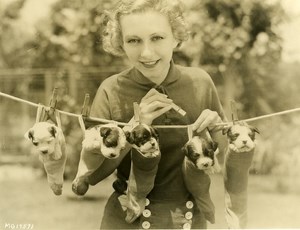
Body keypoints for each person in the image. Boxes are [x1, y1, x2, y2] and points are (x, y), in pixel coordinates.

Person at [84, 0, 250, 229]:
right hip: (125, 220)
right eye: (133, 40)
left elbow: (225, 161)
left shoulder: (200, 82)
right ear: (120, 44)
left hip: (189, 221)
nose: (146, 52)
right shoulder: (110, 90)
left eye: (157, 38)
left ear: (176, 37)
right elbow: (91, 176)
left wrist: (219, 132)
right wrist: (134, 128)